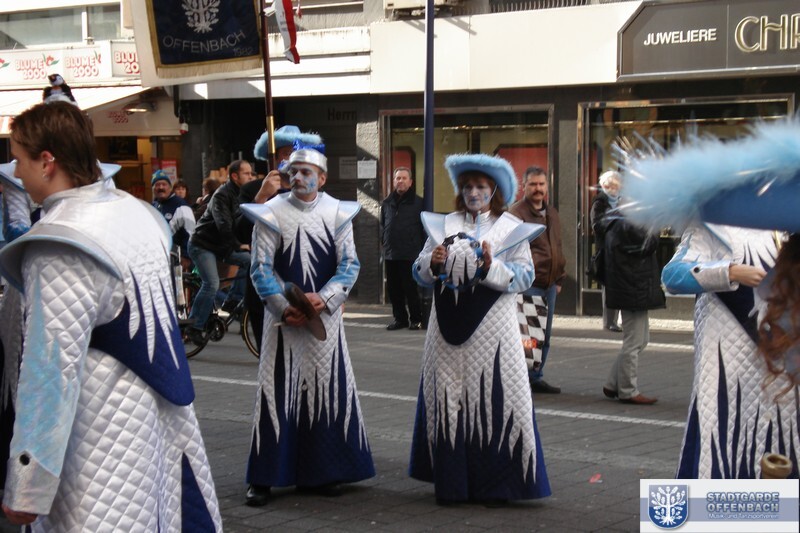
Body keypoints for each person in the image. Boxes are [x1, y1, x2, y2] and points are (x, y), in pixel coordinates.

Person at [0, 101, 221, 530]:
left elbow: (50, 370)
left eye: (19, 159)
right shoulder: (134, 210)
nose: (15, 171)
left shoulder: (59, 244)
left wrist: (28, 483)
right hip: (157, 412)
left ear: (47, 161)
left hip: (97, 423)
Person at [409, 153, 550, 505]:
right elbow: (418, 272)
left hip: (494, 330)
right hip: (445, 329)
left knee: (496, 399)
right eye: (468, 186)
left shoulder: (511, 228)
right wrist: (431, 263)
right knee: (449, 400)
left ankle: (497, 486)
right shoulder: (443, 224)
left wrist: (491, 268)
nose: (473, 193)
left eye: (481, 187)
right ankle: (453, 483)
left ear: (494, 191)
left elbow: (525, 277)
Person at [241, 148, 374, 506]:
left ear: (322, 178)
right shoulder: (270, 212)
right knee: (275, 390)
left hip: (324, 318)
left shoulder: (338, 212)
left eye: (305, 172)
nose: (297, 177)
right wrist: (283, 308)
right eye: (293, 171)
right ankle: (265, 476)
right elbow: (261, 268)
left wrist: (325, 298)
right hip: (282, 320)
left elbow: (349, 264)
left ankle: (324, 472)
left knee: (326, 389)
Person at [236, 126, 323, 351]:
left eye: (295, 153)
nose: (291, 159)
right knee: (271, 359)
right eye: (285, 154)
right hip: (265, 290)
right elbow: (240, 232)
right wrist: (262, 197)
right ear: (272, 159)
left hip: (306, 286)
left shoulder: (312, 191)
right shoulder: (252, 190)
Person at [599, 199, 664, 405]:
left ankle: (612, 383)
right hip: (632, 288)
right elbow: (648, 244)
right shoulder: (626, 223)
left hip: (633, 287)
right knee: (634, 342)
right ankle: (628, 390)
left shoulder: (620, 221)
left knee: (640, 340)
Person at [510, 166, 566, 394]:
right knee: (529, 335)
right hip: (529, 283)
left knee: (544, 334)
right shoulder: (516, 213)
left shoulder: (551, 212)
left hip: (549, 283)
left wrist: (559, 277)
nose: (538, 188)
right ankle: (523, 377)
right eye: (533, 184)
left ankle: (535, 376)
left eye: (541, 184)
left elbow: (557, 246)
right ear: (524, 186)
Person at [186, 160, 255, 344]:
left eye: (251, 173)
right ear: (235, 176)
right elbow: (223, 224)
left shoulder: (243, 194)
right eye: (247, 173)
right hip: (203, 244)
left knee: (251, 262)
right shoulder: (222, 195)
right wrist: (238, 245)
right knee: (211, 284)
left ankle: (232, 301)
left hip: (222, 246)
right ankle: (195, 326)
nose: (251, 177)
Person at [381, 167, 426, 330]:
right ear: (393, 181)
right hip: (391, 253)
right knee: (394, 290)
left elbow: (423, 228)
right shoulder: (387, 203)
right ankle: (400, 319)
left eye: (404, 178)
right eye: (398, 178)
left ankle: (416, 319)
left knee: (411, 289)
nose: (400, 181)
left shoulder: (419, 203)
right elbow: (383, 225)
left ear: (410, 182)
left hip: (410, 253)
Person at [590, 170, 622, 332]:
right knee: (609, 287)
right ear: (603, 186)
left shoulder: (623, 202)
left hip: (623, 250)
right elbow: (596, 226)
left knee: (621, 286)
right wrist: (615, 224)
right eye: (609, 185)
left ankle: (618, 319)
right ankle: (609, 321)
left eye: (616, 185)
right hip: (607, 251)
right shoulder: (599, 203)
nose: (613, 188)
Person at [151, 170, 195, 262]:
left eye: (164, 184)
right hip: (158, 258)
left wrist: (186, 257)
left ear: (170, 188)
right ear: (153, 189)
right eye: (157, 185)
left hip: (177, 259)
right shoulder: (153, 207)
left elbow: (190, 233)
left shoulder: (181, 206)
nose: (161, 187)